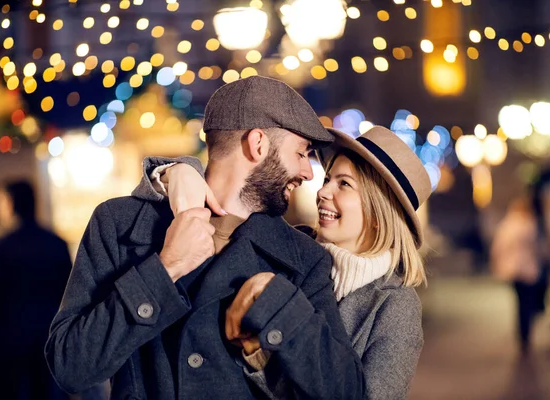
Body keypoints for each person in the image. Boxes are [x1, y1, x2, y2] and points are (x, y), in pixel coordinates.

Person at [45, 76, 367, 399]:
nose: (308, 172)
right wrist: (164, 269)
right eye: (301, 153)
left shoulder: (304, 259)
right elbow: (70, 366)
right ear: (258, 144)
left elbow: (348, 391)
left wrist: (279, 305)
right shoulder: (119, 225)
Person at [135, 125, 431, 399]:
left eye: (344, 185)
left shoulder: (395, 306)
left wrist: (260, 359)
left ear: (379, 215)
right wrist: (174, 170)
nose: (323, 192)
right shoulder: (285, 249)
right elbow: (223, 202)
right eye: (328, 179)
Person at [0, 180, 72, 400]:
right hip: (49, 336)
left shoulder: (1, 242)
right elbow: (71, 293)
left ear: (9, 203)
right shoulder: (56, 243)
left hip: (8, 340)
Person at [491, 196, 547, 353]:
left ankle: (522, 333)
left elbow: (498, 248)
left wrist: (497, 265)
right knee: (527, 302)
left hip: (512, 270)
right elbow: (540, 249)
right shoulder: (531, 226)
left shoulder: (506, 226)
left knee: (520, 301)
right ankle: (525, 332)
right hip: (529, 269)